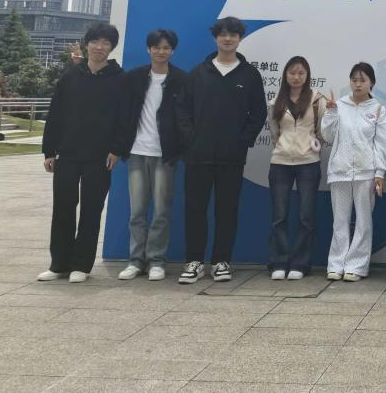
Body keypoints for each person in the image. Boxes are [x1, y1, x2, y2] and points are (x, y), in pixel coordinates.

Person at [175, 16, 268, 284]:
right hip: (198, 156)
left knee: (227, 210)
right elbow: (182, 111)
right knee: (195, 209)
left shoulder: (249, 74)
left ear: (240, 39)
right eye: (223, 34)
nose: (228, 39)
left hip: (232, 157)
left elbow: (258, 113)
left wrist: (242, 141)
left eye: (233, 34)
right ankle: (194, 261)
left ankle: (221, 261)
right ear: (215, 38)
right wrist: (191, 140)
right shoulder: (198, 73)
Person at [37, 23, 128, 283]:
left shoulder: (120, 79)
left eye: (105, 43)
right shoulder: (71, 76)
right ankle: (59, 264)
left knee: (91, 209)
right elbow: (55, 114)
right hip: (67, 153)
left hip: (100, 156)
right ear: (87, 44)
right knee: (63, 208)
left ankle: (81, 265)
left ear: (112, 47)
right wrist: (49, 150)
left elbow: (125, 118)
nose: (99, 47)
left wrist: (117, 149)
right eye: (95, 42)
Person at [118, 28, 186, 282]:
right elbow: (123, 113)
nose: (161, 52)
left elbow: (185, 118)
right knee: (137, 211)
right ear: (149, 49)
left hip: (164, 154)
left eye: (166, 48)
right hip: (137, 151)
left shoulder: (181, 79)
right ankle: (136, 260)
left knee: (161, 211)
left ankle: (156, 260)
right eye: (156, 47)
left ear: (172, 51)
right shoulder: (134, 77)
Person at [321, 62, 386, 281]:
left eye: (363, 80)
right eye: (354, 80)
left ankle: (357, 266)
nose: (358, 84)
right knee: (339, 221)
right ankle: (336, 264)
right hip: (340, 171)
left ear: (371, 83)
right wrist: (331, 113)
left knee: (363, 221)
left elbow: (381, 144)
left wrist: (379, 173)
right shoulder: (339, 105)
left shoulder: (378, 109)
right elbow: (328, 136)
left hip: (366, 172)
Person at [267, 55, 321, 281]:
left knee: (306, 216)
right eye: (292, 72)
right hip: (280, 163)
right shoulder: (275, 101)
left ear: (307, 75)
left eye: (301, 73)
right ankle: (279, 262)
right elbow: (274, 132)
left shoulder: (317, 100)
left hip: (308, 162)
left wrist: (310, 145)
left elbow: (321, 130)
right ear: (285, 75)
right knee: (279, 216)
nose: (296, 77)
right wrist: (283, 146)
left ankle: (300, 263)